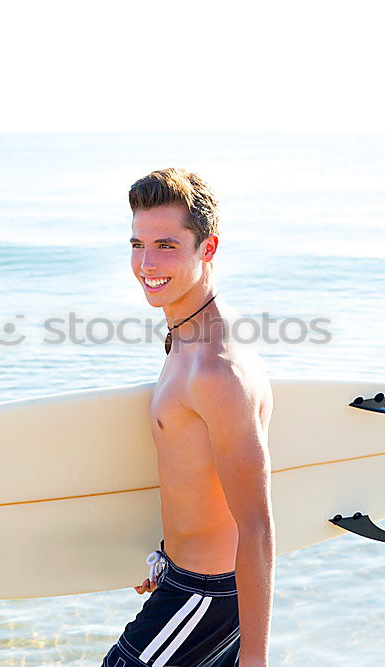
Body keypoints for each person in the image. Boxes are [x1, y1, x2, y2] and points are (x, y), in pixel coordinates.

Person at [102, 168, 275, 667]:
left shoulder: (217, 371)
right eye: (137, 244)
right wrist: (167, 552)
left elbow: (258, 526)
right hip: (186, 581)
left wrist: (255, 659)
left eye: (166, 245)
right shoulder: (185, 337)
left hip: (207, 597)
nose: (145, 263)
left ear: (208, 247)